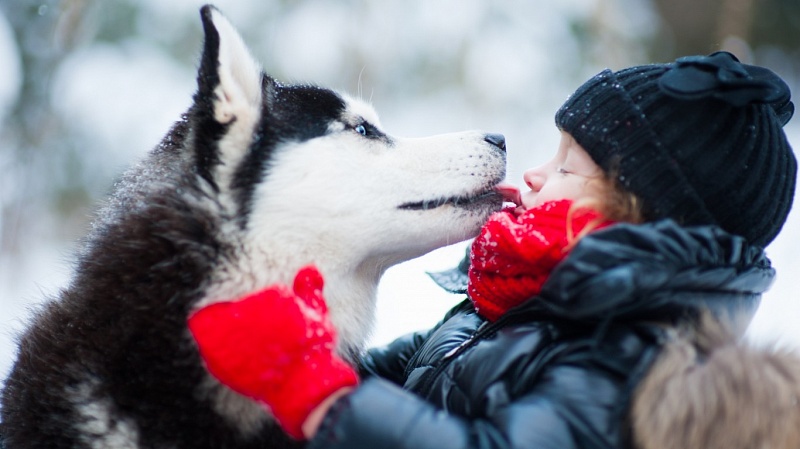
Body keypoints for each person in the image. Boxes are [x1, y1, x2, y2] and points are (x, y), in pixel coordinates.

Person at [187, 51, 798, 448]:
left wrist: (318, 392)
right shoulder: (518, 305)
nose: (533, 174)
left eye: (567, 167)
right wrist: (311, 347)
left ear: (636, 213)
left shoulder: (631, 355)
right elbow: (403, 380)